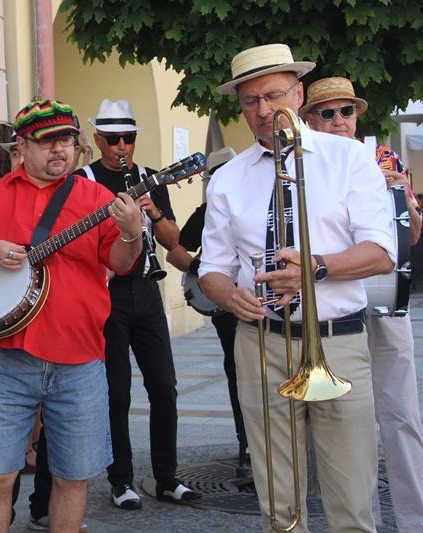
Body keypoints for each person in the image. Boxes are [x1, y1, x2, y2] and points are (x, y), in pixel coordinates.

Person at [201, 44, 396, 532]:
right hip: (261, 342)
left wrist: (315, 267)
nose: (264, 110)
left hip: (337, 340)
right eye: (251, 101)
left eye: (273, 95)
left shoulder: (349, 158)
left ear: (298, 94)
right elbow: (213, 270)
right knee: (278, 504)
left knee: (352, 502)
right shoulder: (227, 179)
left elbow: (381, 252)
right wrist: (229, 296)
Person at [0, 98, 143, 532]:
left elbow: (122, 262)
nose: (59, 150)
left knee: (72, 477)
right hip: (10, 359)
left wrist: (131, 232)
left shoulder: (96, 197)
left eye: (67, 140)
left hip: (81, 359)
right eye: (48, 141)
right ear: (22, 146)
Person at [301, 76, 423, 533]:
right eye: (327, 113)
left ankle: (414, 521)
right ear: (310, 119)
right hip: (337, 304)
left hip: (386, 301)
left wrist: (403, 199)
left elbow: (411, 238)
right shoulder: (306, 165)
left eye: (346, 111)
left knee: (402, 413)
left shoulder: (384, 158)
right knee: (349, 422)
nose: (339, 120)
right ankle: (362, 520)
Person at [75, 98, 198, 508]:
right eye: (113, 140)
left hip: (146, 289)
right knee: (117, 392)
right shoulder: (84, 181)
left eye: (128, 138)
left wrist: (154, 211)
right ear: (98, 140)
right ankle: (121, 479)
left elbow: (173, 241)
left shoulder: (149, 178)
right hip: (106, 294)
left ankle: (166, 477)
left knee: (164, 386)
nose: (121, 147)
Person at [165, 147, 249, 473]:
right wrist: (203, 272)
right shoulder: (206, 211)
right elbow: (175, 252)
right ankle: (246, 440)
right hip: (226, 305)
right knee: (237, 369)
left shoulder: (255, 202)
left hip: (259, 298)